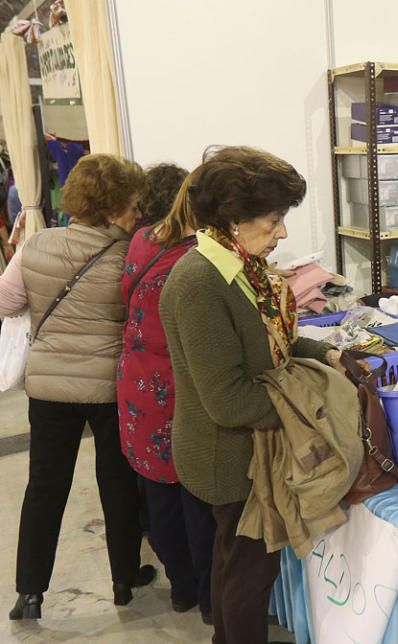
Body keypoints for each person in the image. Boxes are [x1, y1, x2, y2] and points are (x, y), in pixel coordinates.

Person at [159, 147, 341, 644]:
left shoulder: (245, 270)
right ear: (234, 219)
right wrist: (313, 410)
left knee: (233, 562)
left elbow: (268, 344)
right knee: (248, 577)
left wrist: (326, 357)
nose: (282, 232)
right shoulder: (201, 282)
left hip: (245, 450)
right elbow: (230, 400)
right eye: (275, 219)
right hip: (230, 456)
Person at [0, 154, 156, 620]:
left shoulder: (37, 245)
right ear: (111, 210)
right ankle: (124, 579)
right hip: (109, 386)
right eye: (131, 205)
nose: (136, 214)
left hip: (48, 386)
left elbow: (8, 301)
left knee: (44, 486)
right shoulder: (128, 256)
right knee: (118, 484)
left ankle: (29, 592)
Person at [117, 163, 217, 624]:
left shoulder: (141, 240)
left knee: (158, 490)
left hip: (137, 380)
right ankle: (207, 592)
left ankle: (181, 588)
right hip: (178, 384)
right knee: (196, 494)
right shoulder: (199, 256)